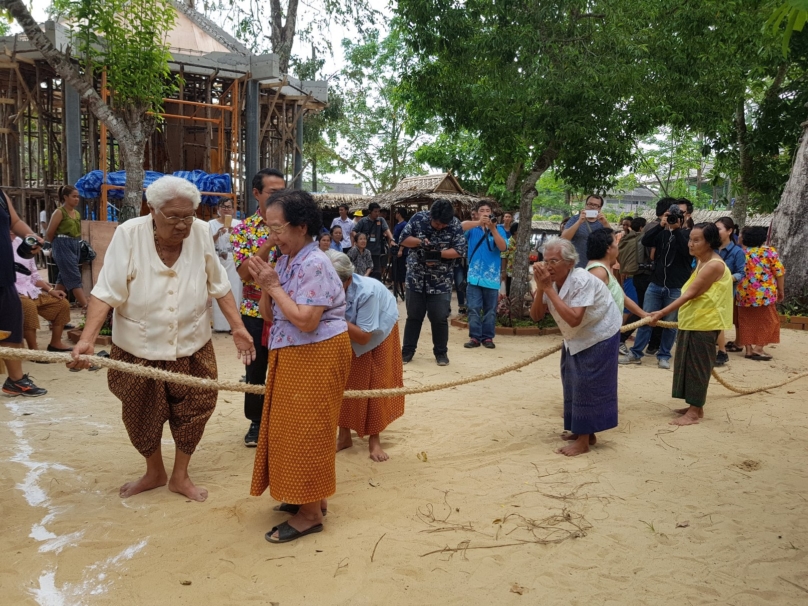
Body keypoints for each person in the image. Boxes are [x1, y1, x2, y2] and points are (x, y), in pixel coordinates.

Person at [68, 176, 255, 501]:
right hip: (138, 347)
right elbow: (106, 292)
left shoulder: (200, 233)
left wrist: (238, 327)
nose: (183, 224)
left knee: (197, 407)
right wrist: (88, 338)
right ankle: (154, 471)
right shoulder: (129, 234)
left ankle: (180, 476)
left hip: (192, 343)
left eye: (189, 215)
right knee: (141, 412)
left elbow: (219, 283)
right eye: (173, 216)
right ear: (152, 210)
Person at [247, 189, 351, 544]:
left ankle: (310, 514)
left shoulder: (315, 263)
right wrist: (265, 286)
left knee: (308, 429)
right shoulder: (287, 259)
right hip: (294, 353)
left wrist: (274, 287)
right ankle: (312, 498)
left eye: (277, 229)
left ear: (301, 226)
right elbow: (268, 315)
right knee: (291, 428)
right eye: (269, 228)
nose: (271, 237)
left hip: (317, 353)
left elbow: (306, 321)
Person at [529, 237, 622, 456]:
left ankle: (583, 441)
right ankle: (582, 431)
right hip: (575, 336)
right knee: (571, 380)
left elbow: (574, 319)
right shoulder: (546, 280)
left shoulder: (582, 279)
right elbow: (536, 316)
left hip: (600, 331)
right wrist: (541, 290)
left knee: (587, 382)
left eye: (554, 261)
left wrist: (547, 289)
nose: (548, 266)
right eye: (546, 260)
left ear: (570, 263)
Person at [647, 223, 733, 426]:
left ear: (709, 242)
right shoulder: (701, 261)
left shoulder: (713, 264)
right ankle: (695, 406)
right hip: (693, 320)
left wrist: (662, 312)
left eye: (697, 240)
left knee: (698, 366)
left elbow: (690, 293)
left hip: (704, 323)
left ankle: (694, 411)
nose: (691, 244)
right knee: (686, 363)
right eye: (690, 239)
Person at [326, 251, 404, 462]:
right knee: (344, 380)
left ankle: (374, 440)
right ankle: (344, 437)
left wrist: (331, 317)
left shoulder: (367, 292)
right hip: (346, 328)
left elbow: (363, 337)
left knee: (375, 382)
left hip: (379, 332)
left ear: (348, 279)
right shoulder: (323, 286)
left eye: (334, 284)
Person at [232, 168, 286, 447]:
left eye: (283, 191)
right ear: (256, 194)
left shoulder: (294, 224)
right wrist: (269, 243)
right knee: (255, 368)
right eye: (273, 193)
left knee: (288, 366)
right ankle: (255, 422)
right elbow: (243, 273)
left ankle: (283, 419)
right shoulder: (243, 229)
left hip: (289, 311)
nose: (281, 197)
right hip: (254, 311)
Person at [620, 198, 693, 370]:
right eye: (672, 214)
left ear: (687, 215)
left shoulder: (690, 234)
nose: (675, 217)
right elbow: (645, 241)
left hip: (676, 287)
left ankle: (664, 355)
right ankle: (636, 353)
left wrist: (676, 230)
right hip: (655, 284)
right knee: (646, 319)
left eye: (679, 214)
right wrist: (662, 225)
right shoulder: (662, 231)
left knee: (670, 323)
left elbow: (687, 252)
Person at [399, 199, 466, 366]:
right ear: (430, 215)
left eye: (444, 224)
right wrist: (421, 243)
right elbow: (403, 239)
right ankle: (407, 352)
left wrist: (438, 254)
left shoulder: (455, 224)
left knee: (439, 318)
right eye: (437, 223)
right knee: (414, 317)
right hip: (416, 279)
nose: (440, 226)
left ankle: (441, 353)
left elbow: (460, 250)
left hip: (441, 282)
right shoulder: (418, 218)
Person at [1, 191, 47, 396]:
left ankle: (15, 380)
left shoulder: (1, 195)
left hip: (4, 276)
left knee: (11, 327)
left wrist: (30, 236)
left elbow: (15, 220)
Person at [12, 231, 72, 352]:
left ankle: (55, 343)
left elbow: (34, 275)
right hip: (11, 291)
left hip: (30, 290)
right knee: (29, 307)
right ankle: (33, 350)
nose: (11, 235)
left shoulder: (23, 244)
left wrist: (51, 290)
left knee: (61, 303)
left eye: (12, 231)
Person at [734, 226, 785, 361]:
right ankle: (759, 348)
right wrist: (781, 290)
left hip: (743, 293)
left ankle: (749, 349)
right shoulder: (769, 252)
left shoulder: (741, 253)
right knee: (770, 321)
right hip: (765, 294)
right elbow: (779, 273)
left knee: (745, 321)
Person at [461, 202, 507, 349]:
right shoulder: (472, 229)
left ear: (492, 213)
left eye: (488, 210)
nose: (485, 212)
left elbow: (503, 247)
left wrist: (493, 229)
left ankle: (488, 338)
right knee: (473, 307)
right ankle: (474, 337)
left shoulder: (499, 229)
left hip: (491, 277)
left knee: (490, 310)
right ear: (477, 213)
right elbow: (459, 227)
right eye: (482, 210)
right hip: (474, 276)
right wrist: (478, 223)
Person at [585, 229, 648, 321]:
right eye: (615, 242)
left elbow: (623, 297)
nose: (617, 246)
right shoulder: (598, 272)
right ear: (608, 248)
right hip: (602, 332)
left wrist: (645, 315)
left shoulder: (605, 269)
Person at [46, 185, 88, 309]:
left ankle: (53, 313)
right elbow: (49, 233)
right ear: (65, 197)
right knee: (74, 277)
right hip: (61, 244)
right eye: (73, 196)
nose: (76, 199)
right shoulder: (59, 212)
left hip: (74, 245)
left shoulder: (77, 213)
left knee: (63, 279)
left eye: (78, 197)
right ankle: (86, 307)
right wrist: (56, 247)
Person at [715, 217, 746, 365]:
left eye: (719, 229)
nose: (716, 232)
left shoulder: (737, 252)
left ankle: (722, 352)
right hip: (708, 289)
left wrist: (726, 278)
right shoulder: (710, 248)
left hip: (726, 292)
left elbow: (741, 274)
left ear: (729, 231)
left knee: (718, 320)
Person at [208, 199, 243, 332]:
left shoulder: (238, 224)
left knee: (235, 289)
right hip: (218, 257)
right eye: (223, 206)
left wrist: (235, 233)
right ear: (219, 208)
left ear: (233, 210)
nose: (226, 209)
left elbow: (243, 242)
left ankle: (234, 325)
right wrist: (218, 234)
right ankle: (220, 325)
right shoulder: (211, 224)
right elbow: (207, 242)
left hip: (233, 258)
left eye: (229, 207)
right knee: (219, 288)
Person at [561, 194, 611, 268]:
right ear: (585, 205)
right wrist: (579, 222)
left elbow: (612, 241)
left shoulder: (602, 222)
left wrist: (605, 223)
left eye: (596, 205)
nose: (592, 207)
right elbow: (563, 238)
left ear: (600, 208)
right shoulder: (575, 219)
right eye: (590, 204)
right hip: (575, 266)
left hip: (595, 266)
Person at [353, 202, 395, 279]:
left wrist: (392, 239)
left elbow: (387, 230)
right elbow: (354, 231)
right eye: (375, 211)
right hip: (364, 252)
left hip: (376, 252)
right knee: (364, 272)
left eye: (378, 211)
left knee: (376, 273)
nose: (377, 213)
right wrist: (358, 240)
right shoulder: (363, 221)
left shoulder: (381, 220)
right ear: (370, 211)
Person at [501, 222, 519, 297]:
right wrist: (503, 271)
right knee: (509, 291)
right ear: (515, 231)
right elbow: (504, 257)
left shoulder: (522, 243)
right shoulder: (508, 242)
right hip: (510, 271)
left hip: (519, 272)